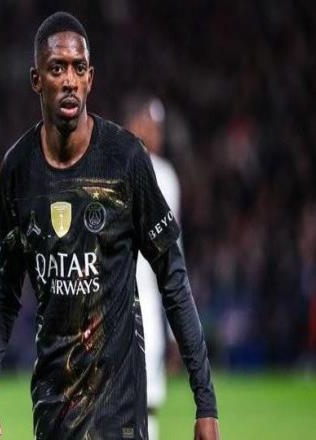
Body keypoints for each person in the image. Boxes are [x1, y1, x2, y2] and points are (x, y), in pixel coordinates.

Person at [0, 12, 219, 440]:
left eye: (78, 68)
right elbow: (5, 291)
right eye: (57, 68)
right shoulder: (18, 170)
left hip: (118, 410)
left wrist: (206, 403)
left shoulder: (125, 160)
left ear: (91, 78)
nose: (69, 79)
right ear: (36, 80)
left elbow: (173, 278)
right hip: (53, 407)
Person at [125, 95, 182, 440]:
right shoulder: (111, 164)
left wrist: (175, 330)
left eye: (159, 127)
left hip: (147, 297)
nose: (155, 132)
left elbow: (174, 253)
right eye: (149, 123)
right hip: (111, 295)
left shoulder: (166, 176)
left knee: (149, 401)